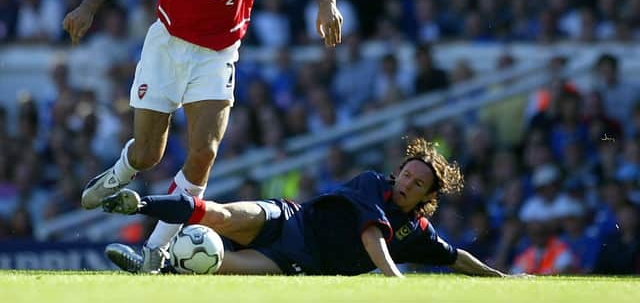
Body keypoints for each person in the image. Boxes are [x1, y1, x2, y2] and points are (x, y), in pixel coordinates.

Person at [62, 0, 343, 273]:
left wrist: (327, 6)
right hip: (167, 46)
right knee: (148, 155)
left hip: (217, 55)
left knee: (204, 153)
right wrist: (89, 6)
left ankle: (154, 252)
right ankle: (120, 172)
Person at [102, 138, 513, 277]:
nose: (407, 182)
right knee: (218, 214)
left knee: (220, 263)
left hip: (300, 261)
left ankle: (155, 265)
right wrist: (393, 279)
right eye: (407, 173)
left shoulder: (416, 233)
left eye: (417, 183)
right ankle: (140, 203)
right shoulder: (374, 183)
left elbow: (455, 257)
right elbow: (371, 233)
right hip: (290, 218)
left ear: (427, 198)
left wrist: (498, 277)